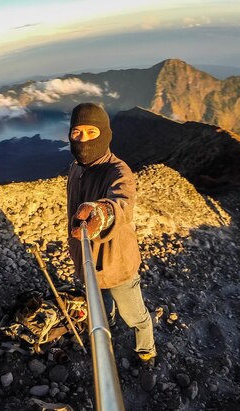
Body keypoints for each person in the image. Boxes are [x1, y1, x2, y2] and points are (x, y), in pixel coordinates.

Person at [66, 102, 156, 367]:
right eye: (76, 133)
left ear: (105, 134)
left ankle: (146, 350)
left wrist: (102, 212)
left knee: (136, 315)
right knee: (103, 309)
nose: (83, 140)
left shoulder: (118, 171)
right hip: (87, 262)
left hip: (117, 265)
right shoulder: (75, 168)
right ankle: (109, 327)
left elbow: (122, 203)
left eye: (91, 133)